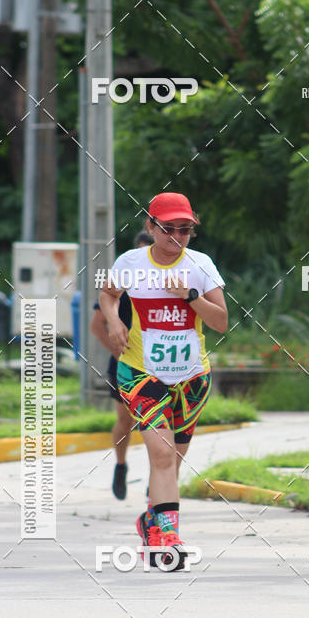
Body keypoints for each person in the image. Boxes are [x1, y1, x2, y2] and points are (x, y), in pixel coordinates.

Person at [99, 192, 228, 558]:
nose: (176, 237)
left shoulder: (200, 266)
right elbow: (108, 294)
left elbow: (221, 322)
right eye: (168, 229)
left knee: (173, 460)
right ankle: (167, 538)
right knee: (162, 456)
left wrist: (189, 297)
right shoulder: (131, 262)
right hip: (141, 373)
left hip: (191, 378)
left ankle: (152, 520)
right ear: (150, 227)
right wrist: (113, 321)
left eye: (185, 230)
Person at [90, 230, 153, 500]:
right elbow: (96, 325)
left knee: (157, 425)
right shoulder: (121, 281)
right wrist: (117, 353)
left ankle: (157, 478)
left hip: (159, 363)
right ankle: (120, 465)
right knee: (125, 420)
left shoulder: (168, 284)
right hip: (124, 361)